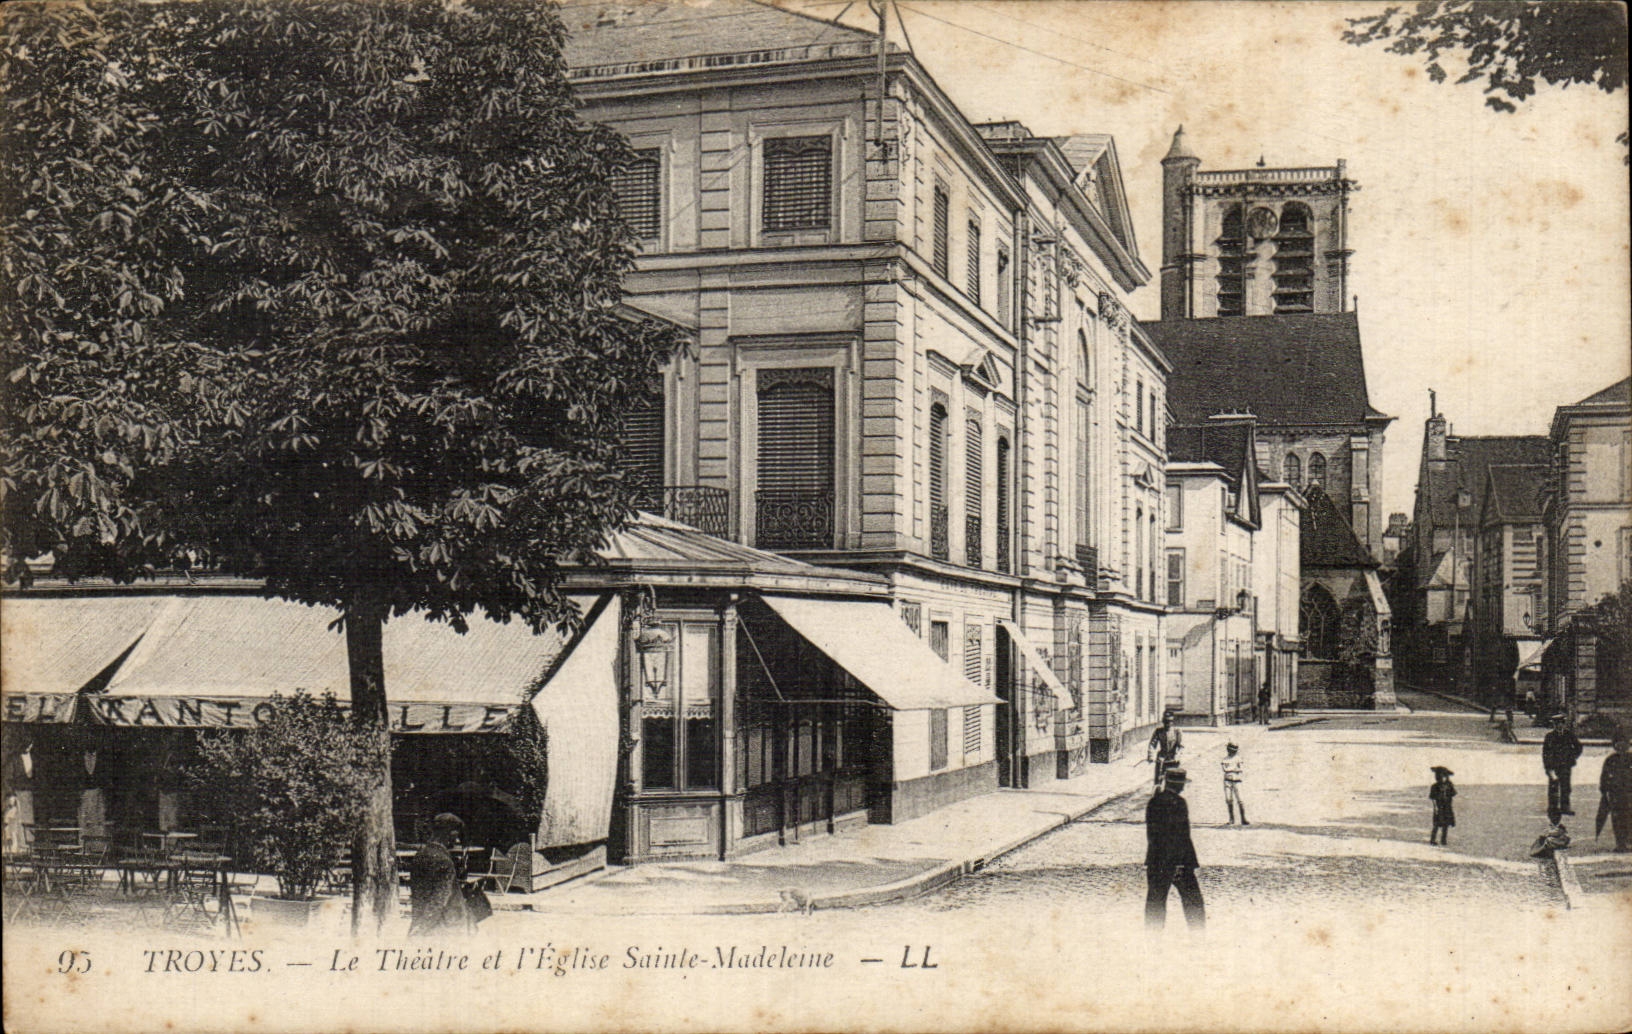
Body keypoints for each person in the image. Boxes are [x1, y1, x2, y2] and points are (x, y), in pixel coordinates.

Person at [1145, 767, 1205, 930]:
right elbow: (1181, 836)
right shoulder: (1178, 803)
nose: (1184, 787)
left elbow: (1153, 835)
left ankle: (1151, 941)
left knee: (1155, 904)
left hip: (1156, 861)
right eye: (1182, 784)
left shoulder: (1153, 802)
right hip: (1178, 863)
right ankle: (1199, 940)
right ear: (1178, 785)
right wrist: (1179, 863)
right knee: (1194, 902)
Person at [409, 813, 470, 937]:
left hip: (420, 919)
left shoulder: (420, 855)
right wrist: (420, 930)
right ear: (450, 833)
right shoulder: (444, 861)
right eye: (456, 835)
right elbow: (438, 900)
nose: (456, 840)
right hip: (441, 929)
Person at [1542, 713, 1583, 823]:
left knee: (1566, 786)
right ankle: (1553, 808)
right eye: (1556, 724)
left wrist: (1572, 757)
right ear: (1554, 725)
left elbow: (1579, 747)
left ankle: (1565, 807)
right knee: (1553, 787)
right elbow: (1545, 753)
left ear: (1564, 724)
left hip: (1566, 765)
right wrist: (1547, 767)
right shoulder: (1549, 736)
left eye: (1561, 724)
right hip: (1554, 766)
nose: (1559, 726)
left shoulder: (1569, 735)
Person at [1598, 737, 1632, 853]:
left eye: (1624, 744)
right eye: (1618, 744)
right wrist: (1604, 790)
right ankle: (1620, 843)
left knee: (1629, 817)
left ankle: (1628, 841)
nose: (1621, 747)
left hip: (1629, 793)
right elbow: (1604, 776)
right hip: (1615, 794)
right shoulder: (1610, 760)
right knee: (1617, 818)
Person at [1147, 711, 1183, 790]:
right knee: (1158, 782)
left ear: (1173, 722)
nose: (1168, 724)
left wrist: (1178, 755)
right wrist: (1151, 756)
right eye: (1166, 721)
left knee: (1173, 783)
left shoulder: (1177, 732)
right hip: (1162, 758)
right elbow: (1152, 744)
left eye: (1170, 721)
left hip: (1173, 759)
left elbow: (1180, 746)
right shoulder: (1158, 731)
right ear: (1163, 721)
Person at [1221, 743, 1249, 826]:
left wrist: (1232, 769)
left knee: (1240, 799)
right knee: (1228, 799)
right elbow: (1225, 769)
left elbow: (1241, 768)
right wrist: (1234, 769)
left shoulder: (1238, 758)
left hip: (1237, 780)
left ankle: (1243, 818)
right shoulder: (1225, 759)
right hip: (1227, 780)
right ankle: (1231, 818)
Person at [1429, 765, 1456, 845]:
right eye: (1439, 776)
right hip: (1439, 807)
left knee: (1446, 824)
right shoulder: (1434, 786)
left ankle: (1443, 840)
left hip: (1447, 807)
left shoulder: (1449, 785)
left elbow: (1452, 795)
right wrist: (1435, 807)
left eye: (1444, 776)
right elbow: (1433, 798)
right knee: (1436, 824)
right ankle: (1433, 839)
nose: (1442, 778)